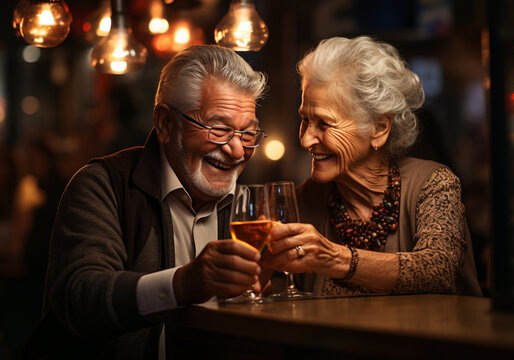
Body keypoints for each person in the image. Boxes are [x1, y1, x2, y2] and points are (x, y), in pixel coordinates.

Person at [25, 45, 268, 359]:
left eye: (247, 134)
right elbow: (80, 297)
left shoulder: (251, 207)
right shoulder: (104, 185)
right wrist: (182, 284)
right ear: (166, 124)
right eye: (219, 129)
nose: (237, 151)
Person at [263, 36, 482, 297]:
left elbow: (438, 270)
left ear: (379, 128)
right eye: (304, 120)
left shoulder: (435, 184)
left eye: (324, 123)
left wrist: (333, 258)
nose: (306, 139)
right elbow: (275, 296)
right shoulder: (301, 202)